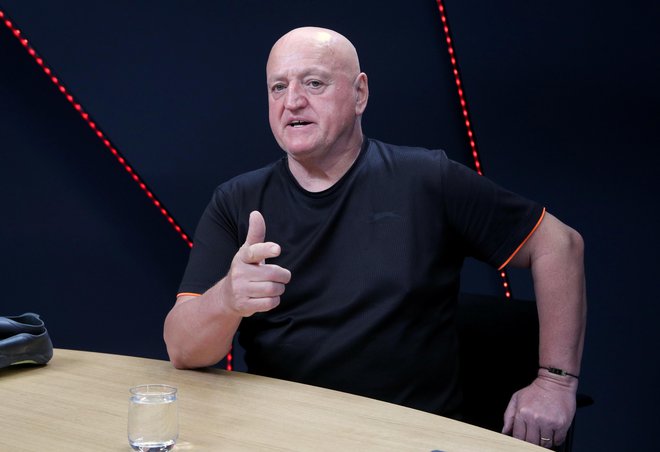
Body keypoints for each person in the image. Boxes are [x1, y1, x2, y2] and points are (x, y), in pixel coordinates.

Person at [164, 26, 586, 449]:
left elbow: (559, 244)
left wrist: (555, 382)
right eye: (278, 87)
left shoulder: (427, 179)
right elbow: (182, 350)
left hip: (407, 439)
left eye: (314, 83)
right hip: (280, 437)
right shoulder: (236, 201)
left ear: (359, 94)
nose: (292, 101)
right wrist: (227, 299)